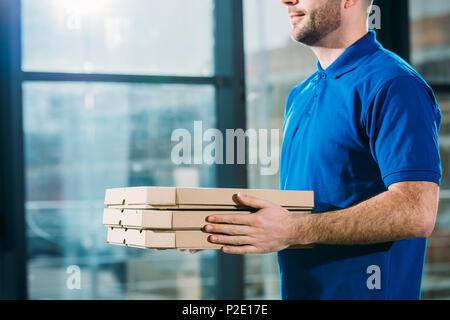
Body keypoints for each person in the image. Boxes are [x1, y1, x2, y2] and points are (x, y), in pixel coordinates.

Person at [204, 0, 442, 300]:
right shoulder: (299, 94)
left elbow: (415, 211)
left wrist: (293, 229)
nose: (286, 0)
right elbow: (308, 207)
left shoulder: (394, 84)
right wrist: (221, 226)